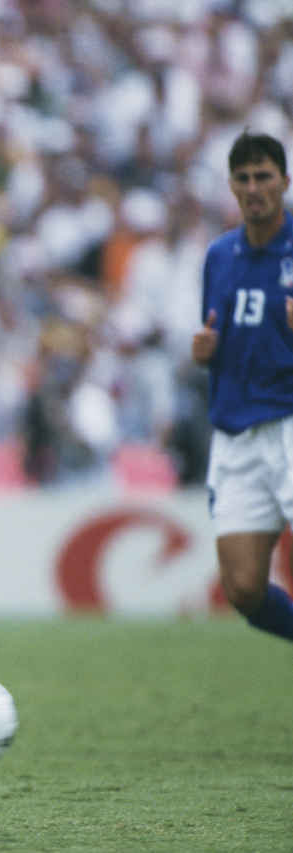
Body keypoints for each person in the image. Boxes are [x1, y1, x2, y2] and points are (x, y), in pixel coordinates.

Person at [192, 130, 293, 643]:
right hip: (237, 433)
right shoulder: (219, 256)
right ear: (231, 185)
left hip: (290, 424)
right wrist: (204, 353)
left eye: (264, 177)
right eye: (244, 178)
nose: (254, 187)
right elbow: (219, 332)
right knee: (244, 587)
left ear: (285, 182)